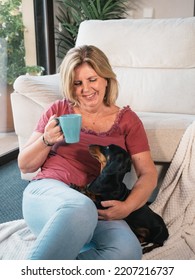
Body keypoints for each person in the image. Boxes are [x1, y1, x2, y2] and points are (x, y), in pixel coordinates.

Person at [18, 45, 157, 260]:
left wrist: (127, 207)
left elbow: (148, 173)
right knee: (80, 207)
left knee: (128, 250)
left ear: (106, 79)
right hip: (49, 193)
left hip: (95, 206)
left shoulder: (128, 120)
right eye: (77, 83)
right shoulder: (58, 110)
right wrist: (46, 140)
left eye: (92, 80)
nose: (85, 89)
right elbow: (25, 165)